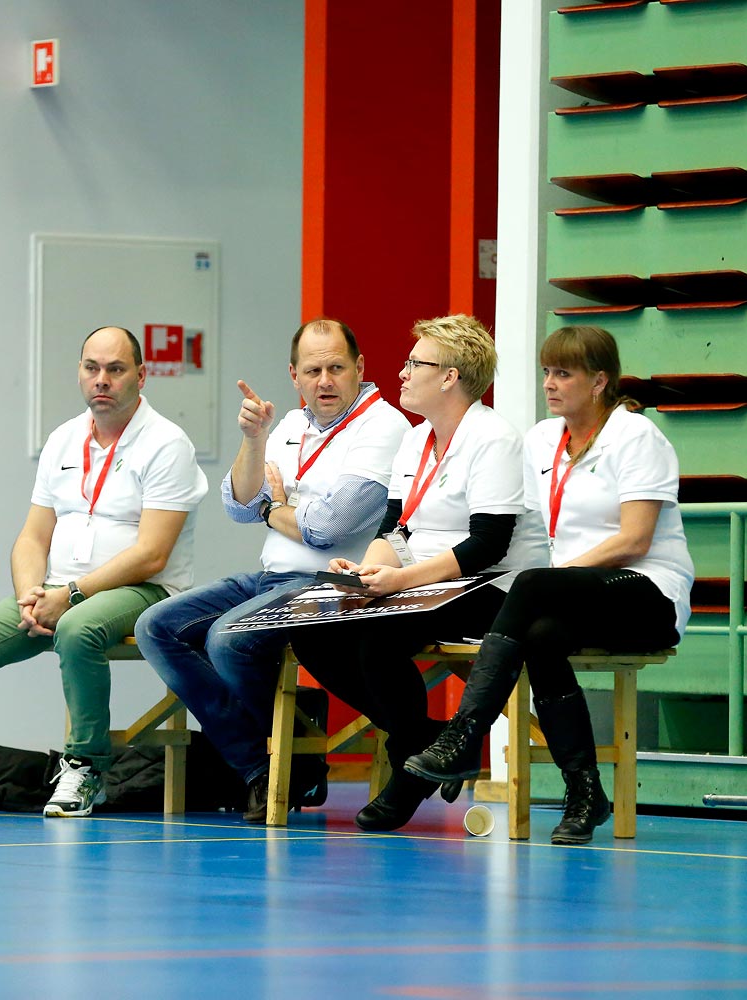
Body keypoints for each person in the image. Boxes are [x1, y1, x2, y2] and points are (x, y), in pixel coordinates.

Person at [0, 326, 208, 819]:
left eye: (115, 369)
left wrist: (68, 595)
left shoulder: (167, 444)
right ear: (80, 373)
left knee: (77, 627)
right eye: (92, 368)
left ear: (141, 375)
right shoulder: (64, 440)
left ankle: (87, 767)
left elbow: (152, 554)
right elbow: (31, 537)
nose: (102, 380)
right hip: (58, 590)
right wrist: (30, 593)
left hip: (144, 591)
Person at [403, 325, 693, 845]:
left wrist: (554, 577)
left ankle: (465, 734)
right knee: (540, 636)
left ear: (600, 381)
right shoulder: (540, 439)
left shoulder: (635, 434)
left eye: (565, 373)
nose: (551, 384)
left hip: (647, 591)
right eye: (546, 372)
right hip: (574, 591)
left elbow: (634, 538)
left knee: (535, 587)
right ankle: (584, 791)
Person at [134, 317, 409, 823]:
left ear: (361, 368)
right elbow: (238, 504)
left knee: (227, 639)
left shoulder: (384, 426)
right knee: (157, 626)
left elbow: (327, 527)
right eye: (312, 370)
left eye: (335, 368)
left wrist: (272, 509)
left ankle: (289, 757)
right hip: (271, 577)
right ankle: (264, 767)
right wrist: (255, 441)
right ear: (294, 375)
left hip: (335, 581)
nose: (324, 381)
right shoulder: (290, 424)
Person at [286, 314, 548, 832]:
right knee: (314, 627)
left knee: (377, 636)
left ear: (449, 376)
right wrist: (366, 570)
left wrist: (402, 582)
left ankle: (411, 771)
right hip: (433, 581)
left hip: (494, 586)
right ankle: (428, 742)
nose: (401, 372)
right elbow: (395, 528)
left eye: (414, 363)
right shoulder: (417, 438)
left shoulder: (493, 437)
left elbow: (488, 545)